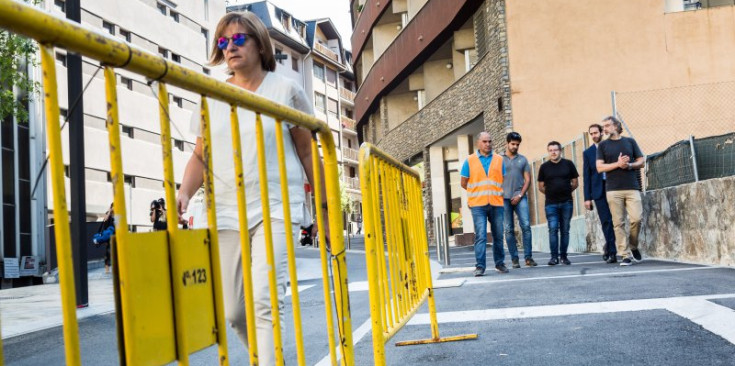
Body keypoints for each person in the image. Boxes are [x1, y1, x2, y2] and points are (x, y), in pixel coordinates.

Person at [175, 11, 328, 365]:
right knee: (233, 311)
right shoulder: (211, 95)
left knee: (264, 298)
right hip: (227, 210)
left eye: (238, 39)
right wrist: (184, 191)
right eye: (223, 42)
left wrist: (324, 209)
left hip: (277, 205)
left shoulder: (286, 89)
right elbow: (200, 156)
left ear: (260, 43)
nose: (230, 47)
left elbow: (307, 150)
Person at [596, 116, 645, 266]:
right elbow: (600, 167)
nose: (604, 129)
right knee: (618, 223)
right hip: (613, 189)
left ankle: (633, 245)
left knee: (637, 219)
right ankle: (624, 255)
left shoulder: (629, 142)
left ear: (616, 126)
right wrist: (617, 164)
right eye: (603, 126)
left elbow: (642, 161)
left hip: (632, 187)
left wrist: (629, 165)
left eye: (607, 125)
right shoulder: (602, 146)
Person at [460, 131, 506, 276]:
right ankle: (480, 266)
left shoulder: (499, 159)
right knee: (481, 235)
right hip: (478, 205)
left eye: (489, 141)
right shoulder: (469, 160)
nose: (488, 144)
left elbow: (502, 180)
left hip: (496, 203)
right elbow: (463, 182)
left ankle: (500, 264)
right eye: (485, 141)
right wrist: (476, 195)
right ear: (478, 143)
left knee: (498, 235)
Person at [537, 141, 579, 265]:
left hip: (567, 202)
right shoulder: (544, 167)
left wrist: (565, 191)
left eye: (555, 150)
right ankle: (554, 257)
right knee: (553, 229)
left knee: (565, 230)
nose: (553, 152)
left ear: (560, 151)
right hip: (551, 204)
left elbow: (575, 183)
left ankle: (564, 257)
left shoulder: (568, 164)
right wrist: (551, 193)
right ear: (548, 152)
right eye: (551, 150)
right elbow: (540, 186)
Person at [583, 124, 617, 263]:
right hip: (598, 190)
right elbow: (587, 176)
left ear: (602, 132)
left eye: (596, 132)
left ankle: (609, 247)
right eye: (591, 134)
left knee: (617, 220)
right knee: (606, 221)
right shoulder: (588, 153)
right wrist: (587, 198)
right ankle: (613, 252)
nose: (594, 136)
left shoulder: (611, 147)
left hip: (614, 186)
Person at [501, 132, 537, 268]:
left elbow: (527, 179)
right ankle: (514, 259)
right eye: (513, 144)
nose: (515, 146)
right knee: (508, 229)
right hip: (503, 198)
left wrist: (520, 195)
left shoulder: (523, 159)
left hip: (520, 197)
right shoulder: (499, 159)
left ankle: (528, 258)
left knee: (526, 226)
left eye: (517, 144)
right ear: (507, 143)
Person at [92, 203, 114, 274]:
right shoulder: (107, 213)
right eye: (113, 207)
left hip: (115, 236)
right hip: (108, 236)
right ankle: (107, 271)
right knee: (107, 254)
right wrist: (109, 211)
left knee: (114, 253)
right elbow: (105, 220)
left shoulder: (118, 215)